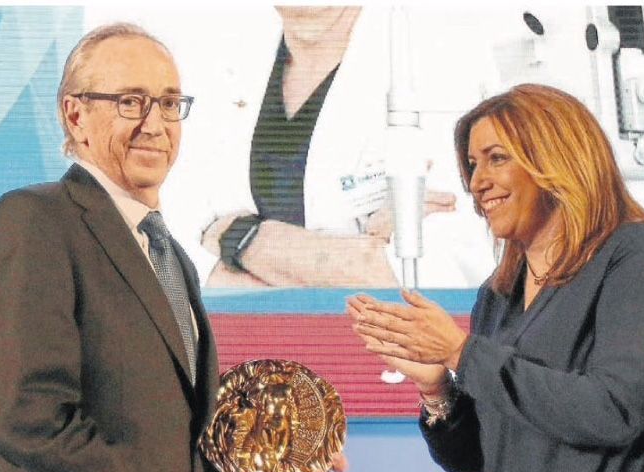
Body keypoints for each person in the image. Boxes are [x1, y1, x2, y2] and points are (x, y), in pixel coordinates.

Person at [0, 22, 343, 472]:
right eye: (130, 102)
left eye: (169, 104)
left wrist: (268, 456)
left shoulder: (170, 254)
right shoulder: (34, 220)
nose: (155, 124)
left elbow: (171, 440)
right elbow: (32, 421)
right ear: (75, 115)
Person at [347, 84, 644, 472]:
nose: (477, 182)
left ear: (556, 160)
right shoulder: (497, 297)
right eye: (473, 164)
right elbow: (475, 459)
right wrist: (438, 391)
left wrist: (462, 353)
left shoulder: (638, 256)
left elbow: (614, 410)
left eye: (497, 158)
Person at [165, 6, 493, 288]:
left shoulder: (440, 60)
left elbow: (428, 270)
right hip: (237, 332)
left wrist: (241, 238)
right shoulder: (218, 58)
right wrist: (344, 258)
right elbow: (172, 242)